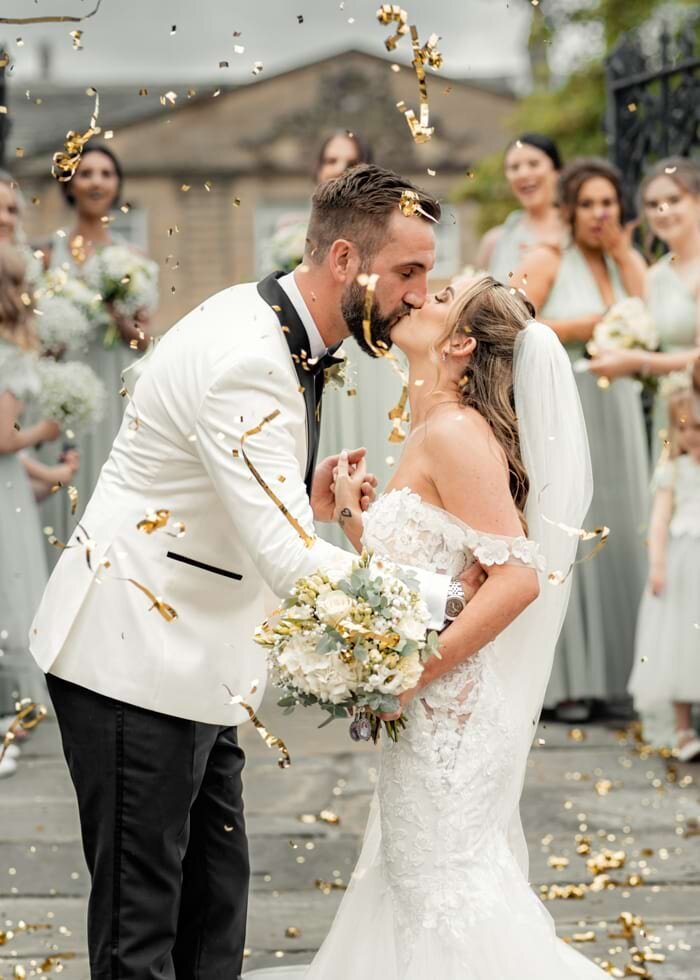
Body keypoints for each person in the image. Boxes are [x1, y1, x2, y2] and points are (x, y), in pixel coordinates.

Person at [30, 165, 483, 979]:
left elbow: (222, 493)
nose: (421, 294)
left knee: (214, 914)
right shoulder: (248, 356)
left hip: (200, 660)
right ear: (346, 259)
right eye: (409, 272)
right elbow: (280, 555)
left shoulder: (271, 323)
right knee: (143, 932)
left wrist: (300, 497)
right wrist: (441, 596)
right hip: (135, 662)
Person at [246, 278, 602, 979]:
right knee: (417, 883)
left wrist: (415, 670)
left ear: (462, 343)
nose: (414, 297)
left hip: (452, 718)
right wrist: (350, 518)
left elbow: (518, 578)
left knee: (445, 888)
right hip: (426, 713)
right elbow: (424, 588)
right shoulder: (432, 427)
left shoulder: (454, 434)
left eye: (438, 296)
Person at [513, 157, 649, 722]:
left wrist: (621, 252)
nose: (599, 214)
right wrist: (587, 325)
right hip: (568, 406)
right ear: (569, 209)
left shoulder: (623, 261)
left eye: (609, 203)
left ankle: (621, 677)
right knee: (573, 526)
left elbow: (653, 313)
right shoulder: (548, 258)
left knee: (624, 525)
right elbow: (514, 319)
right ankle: (566, 682)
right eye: (588, 204)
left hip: (617, 407)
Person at [41, 144, 154, 556]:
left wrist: (113, 311)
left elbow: (143, 339)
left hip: (114, 384)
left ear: (117, 184)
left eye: (106, 173)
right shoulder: (49, 255)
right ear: (70, 183)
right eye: (87, 173)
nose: (97, 181)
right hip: (62, 387)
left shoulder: (132, 258)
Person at [0, 244, 78, 778]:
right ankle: (9, 718)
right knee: (11, 595)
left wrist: (49, 475)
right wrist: (46, 433)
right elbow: (4, 438)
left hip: (10, 484)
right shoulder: (9, 351)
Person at [588, 157, 700, 457]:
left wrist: (636, 360)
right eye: (652, 204)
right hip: (671, 415)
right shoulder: (656, 276)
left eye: (674, 200)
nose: (662, 211)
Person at [628, 385, 700, 761]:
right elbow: (658, 522)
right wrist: (657, 564)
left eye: (698, 428)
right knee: (680, 641)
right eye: (684, 428)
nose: (691, 436)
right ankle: (683, 727)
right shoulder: (674, 471)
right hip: (685, 563)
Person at [476, 133, 564, 283]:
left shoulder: (579, 231)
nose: (523, 174)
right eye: (514, 167)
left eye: (534, 164)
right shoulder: (494, 242)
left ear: (557, 172)